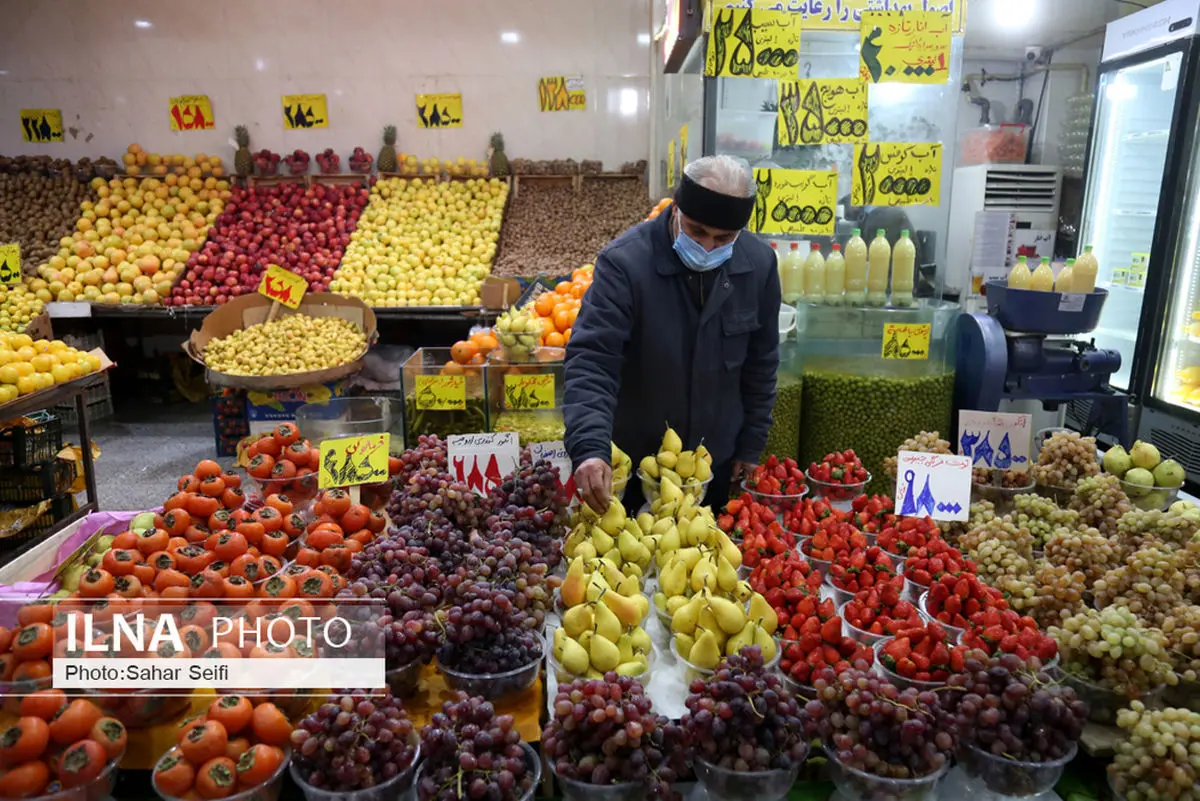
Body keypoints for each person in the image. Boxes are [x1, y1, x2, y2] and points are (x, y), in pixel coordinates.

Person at [564, 155, 781, 513]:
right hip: (638, 471)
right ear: (676, 208)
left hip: (714, 469)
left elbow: (762, 363)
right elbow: (592, 361)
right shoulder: (625, 264)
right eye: (696, 231)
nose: (708, 248)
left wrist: (750, 445)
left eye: (723, 237)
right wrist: (589, 447)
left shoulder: (757, 265)